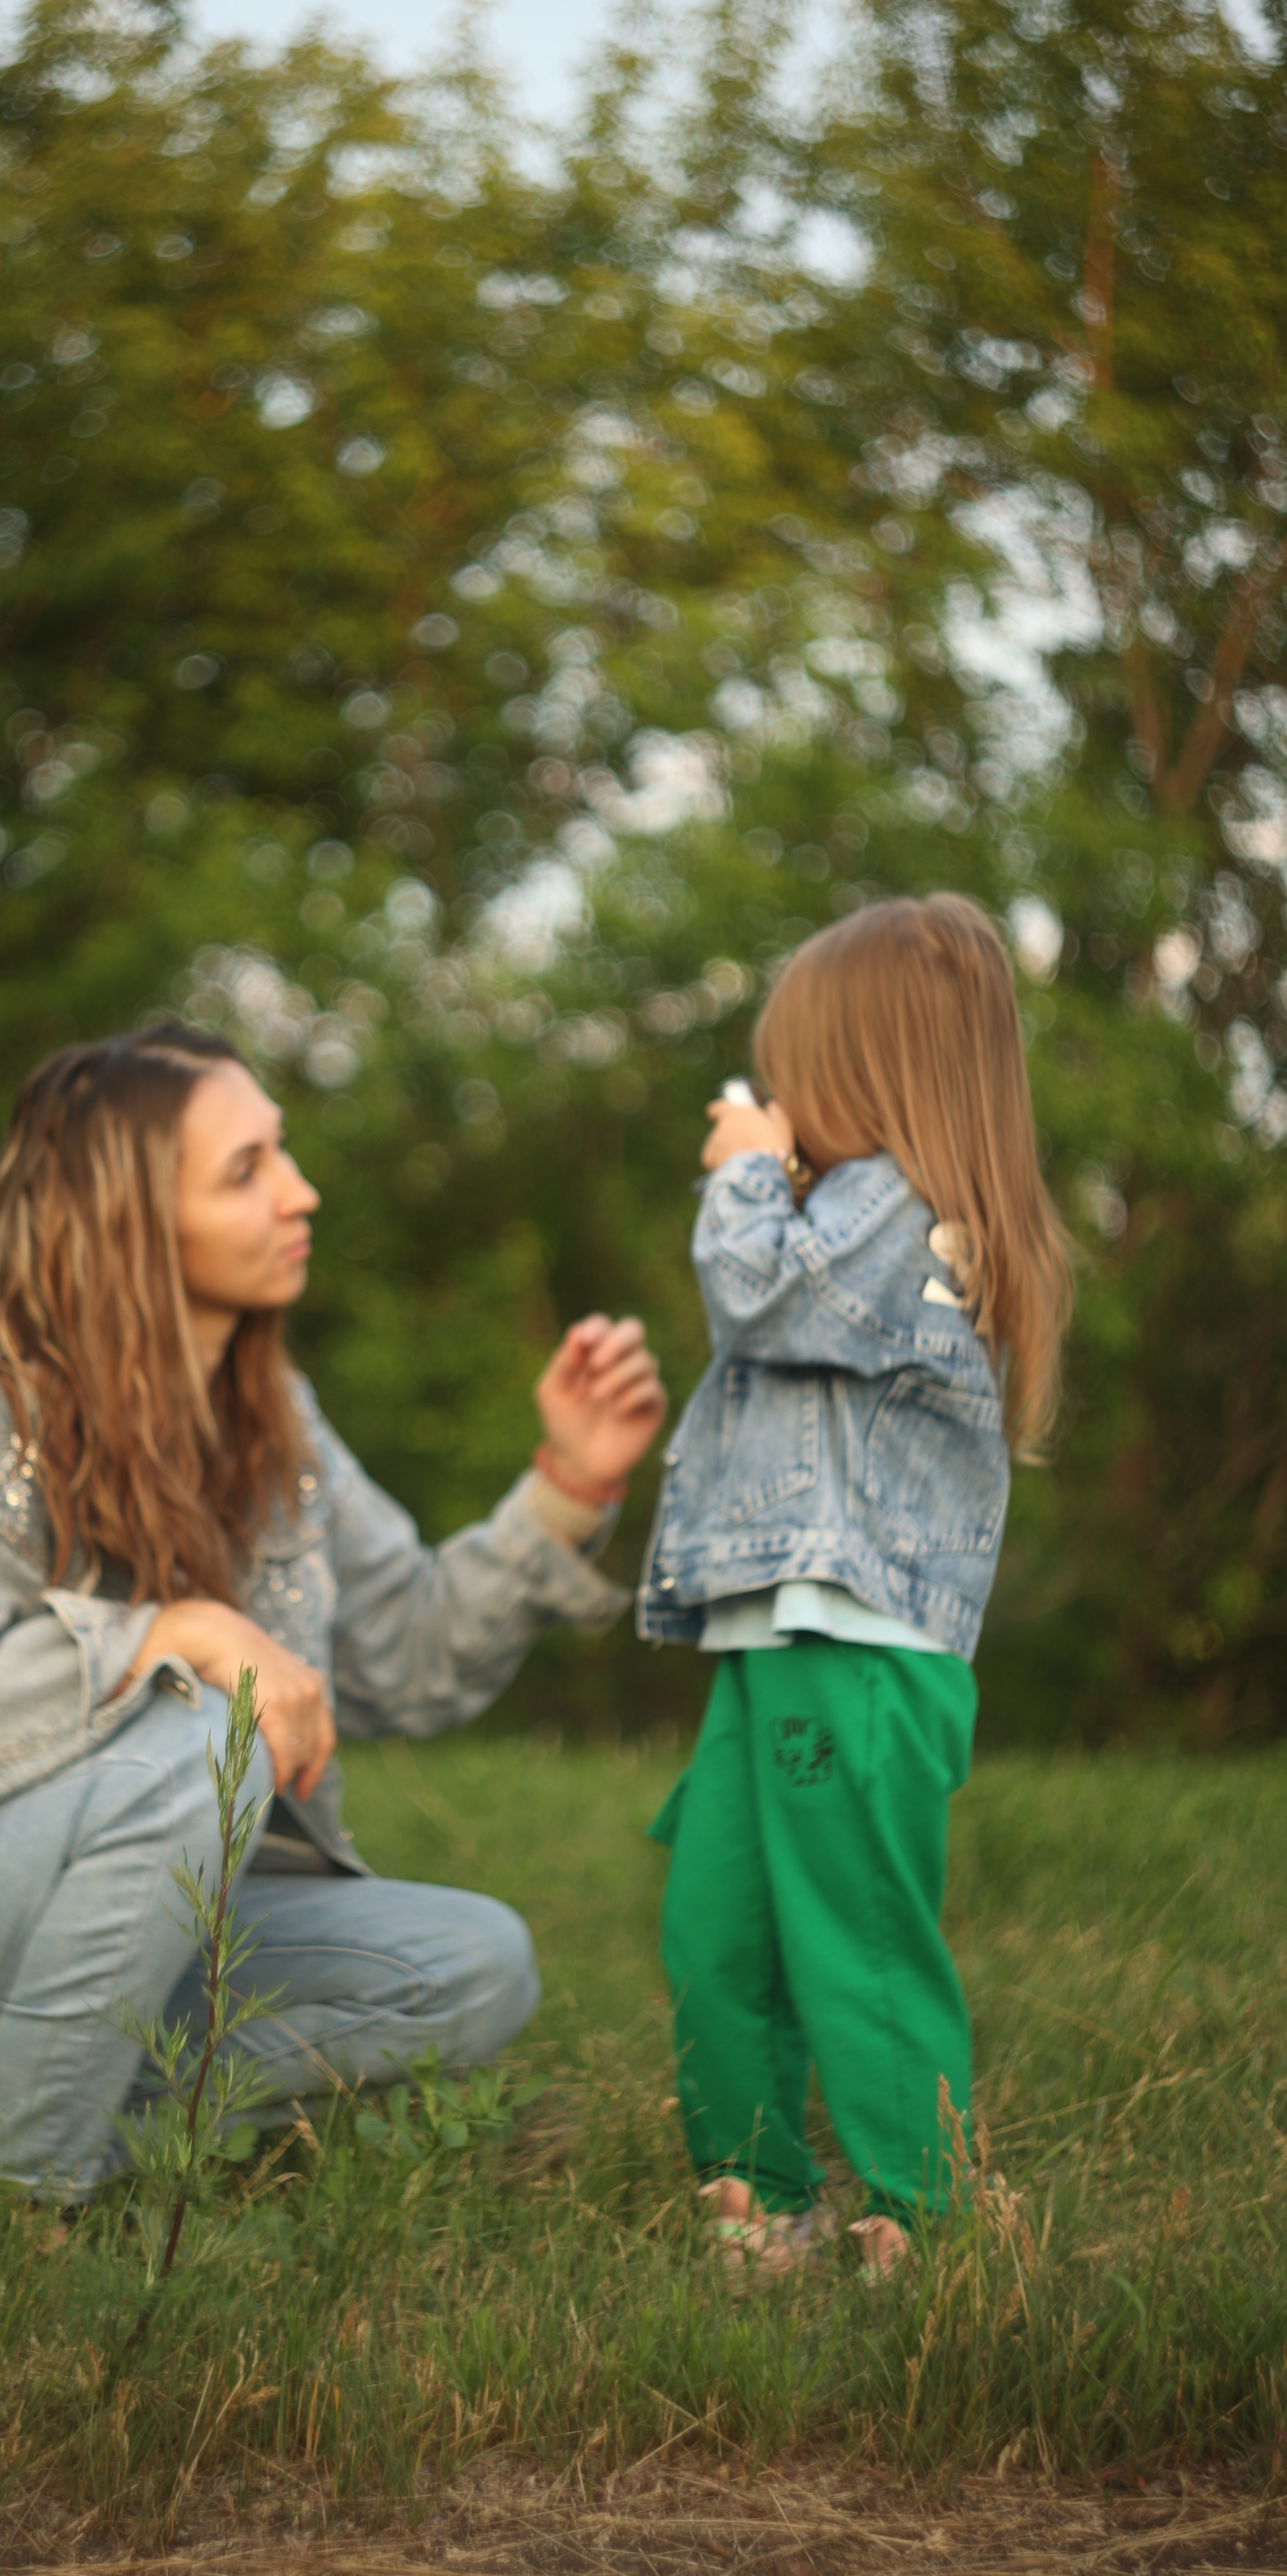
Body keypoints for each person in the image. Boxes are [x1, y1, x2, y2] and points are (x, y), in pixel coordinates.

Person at [0, 1023, 667, 2203]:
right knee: (209, 1739)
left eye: (282, 1153)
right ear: (134, 1221)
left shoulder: (270, 1419)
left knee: (475, 1965)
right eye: (247, 1170)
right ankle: (15, 2202)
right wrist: (162, 1633)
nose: (302, 1192)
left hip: (57, 1964)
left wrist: (568, 1488)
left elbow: (409, 1659)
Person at [638, 896, 1072, 2279]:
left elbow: (765, 1305)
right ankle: (751, 2200)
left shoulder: (906, 1210)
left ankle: (922, 2209)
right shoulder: (851, 1215)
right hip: (776, 1630)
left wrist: (743, 1173)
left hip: (855, 1638)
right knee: (717, 1921)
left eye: (789, 1073)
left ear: (868, 1070)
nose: (771, 1101)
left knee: (849, 1928)